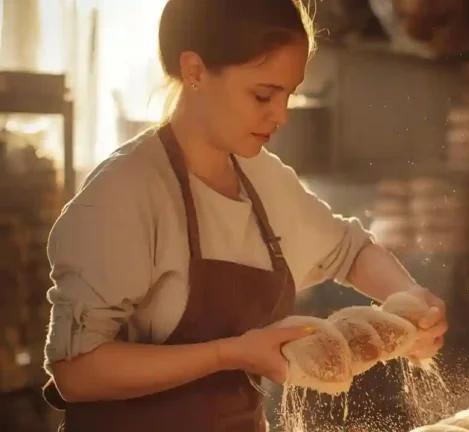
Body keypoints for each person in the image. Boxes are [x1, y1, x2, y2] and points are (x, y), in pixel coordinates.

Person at [41, 0, 448, 431]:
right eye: (263, 94)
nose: (281, 116)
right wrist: (231, 352)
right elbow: (77, 373)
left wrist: (413, 300)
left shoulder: (262, 178)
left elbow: (349, 251)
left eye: (288, 94)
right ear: (195, 71)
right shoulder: (124, 193)